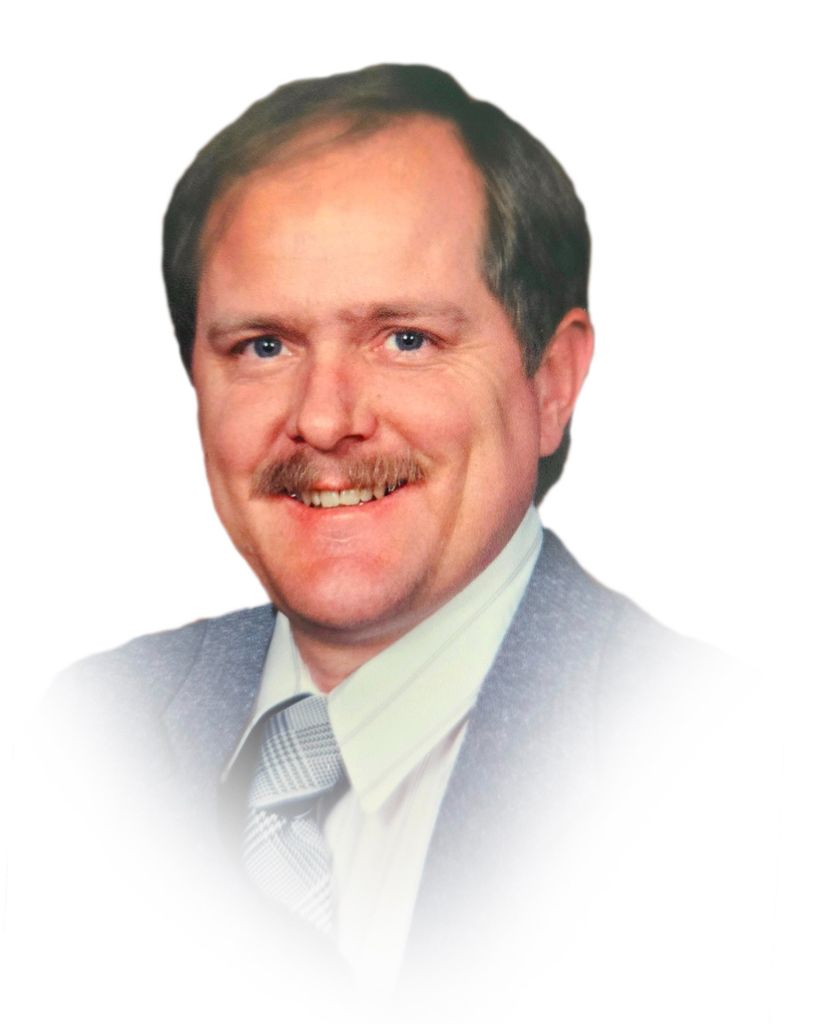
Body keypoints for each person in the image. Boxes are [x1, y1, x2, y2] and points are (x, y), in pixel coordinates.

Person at [31, 64, 770, 1019]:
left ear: (551, 382)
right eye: (263, 346)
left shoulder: (732, 769)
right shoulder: (89, 735)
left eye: (405, 339)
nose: (324, 419)